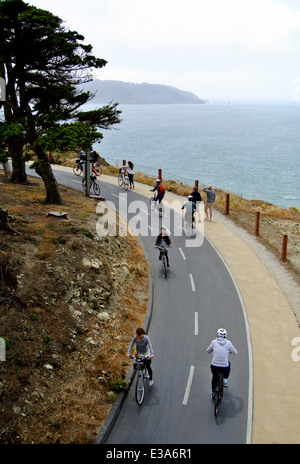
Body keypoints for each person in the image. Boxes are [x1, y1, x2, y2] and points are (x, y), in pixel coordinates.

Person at [207, 328, 238, 396]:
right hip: (224, 367)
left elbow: (208, 351)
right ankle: (225, 380)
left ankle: (213, 392)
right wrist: (229, 351)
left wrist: (213, 350)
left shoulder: (213, 342)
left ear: (217, 335)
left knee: (214, 377)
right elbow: (235, 352)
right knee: (228, 364)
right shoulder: (228, 343)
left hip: (214, 366)